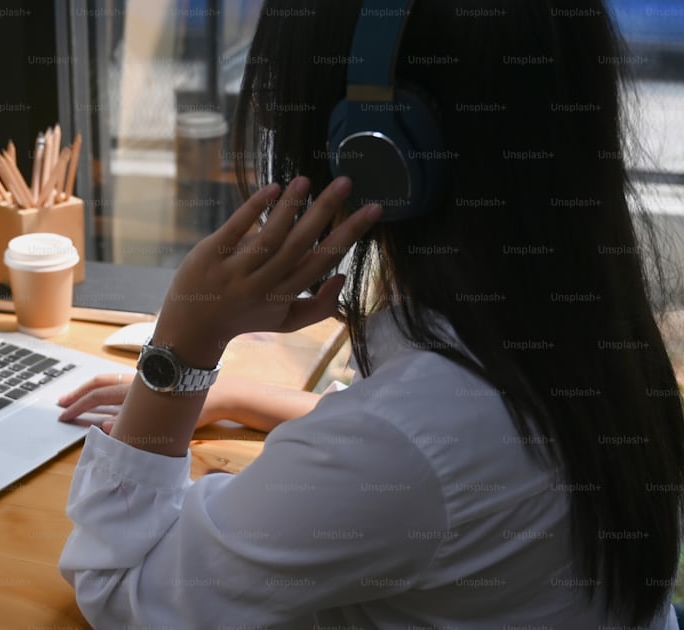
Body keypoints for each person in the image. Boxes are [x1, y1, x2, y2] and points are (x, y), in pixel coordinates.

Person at [55, 0, 684, 628]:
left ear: (374, 146)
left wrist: (185, 347)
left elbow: (119, 589)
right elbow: (439, 450)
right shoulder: (580, 317)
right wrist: (240, 397)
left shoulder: (401, 441)